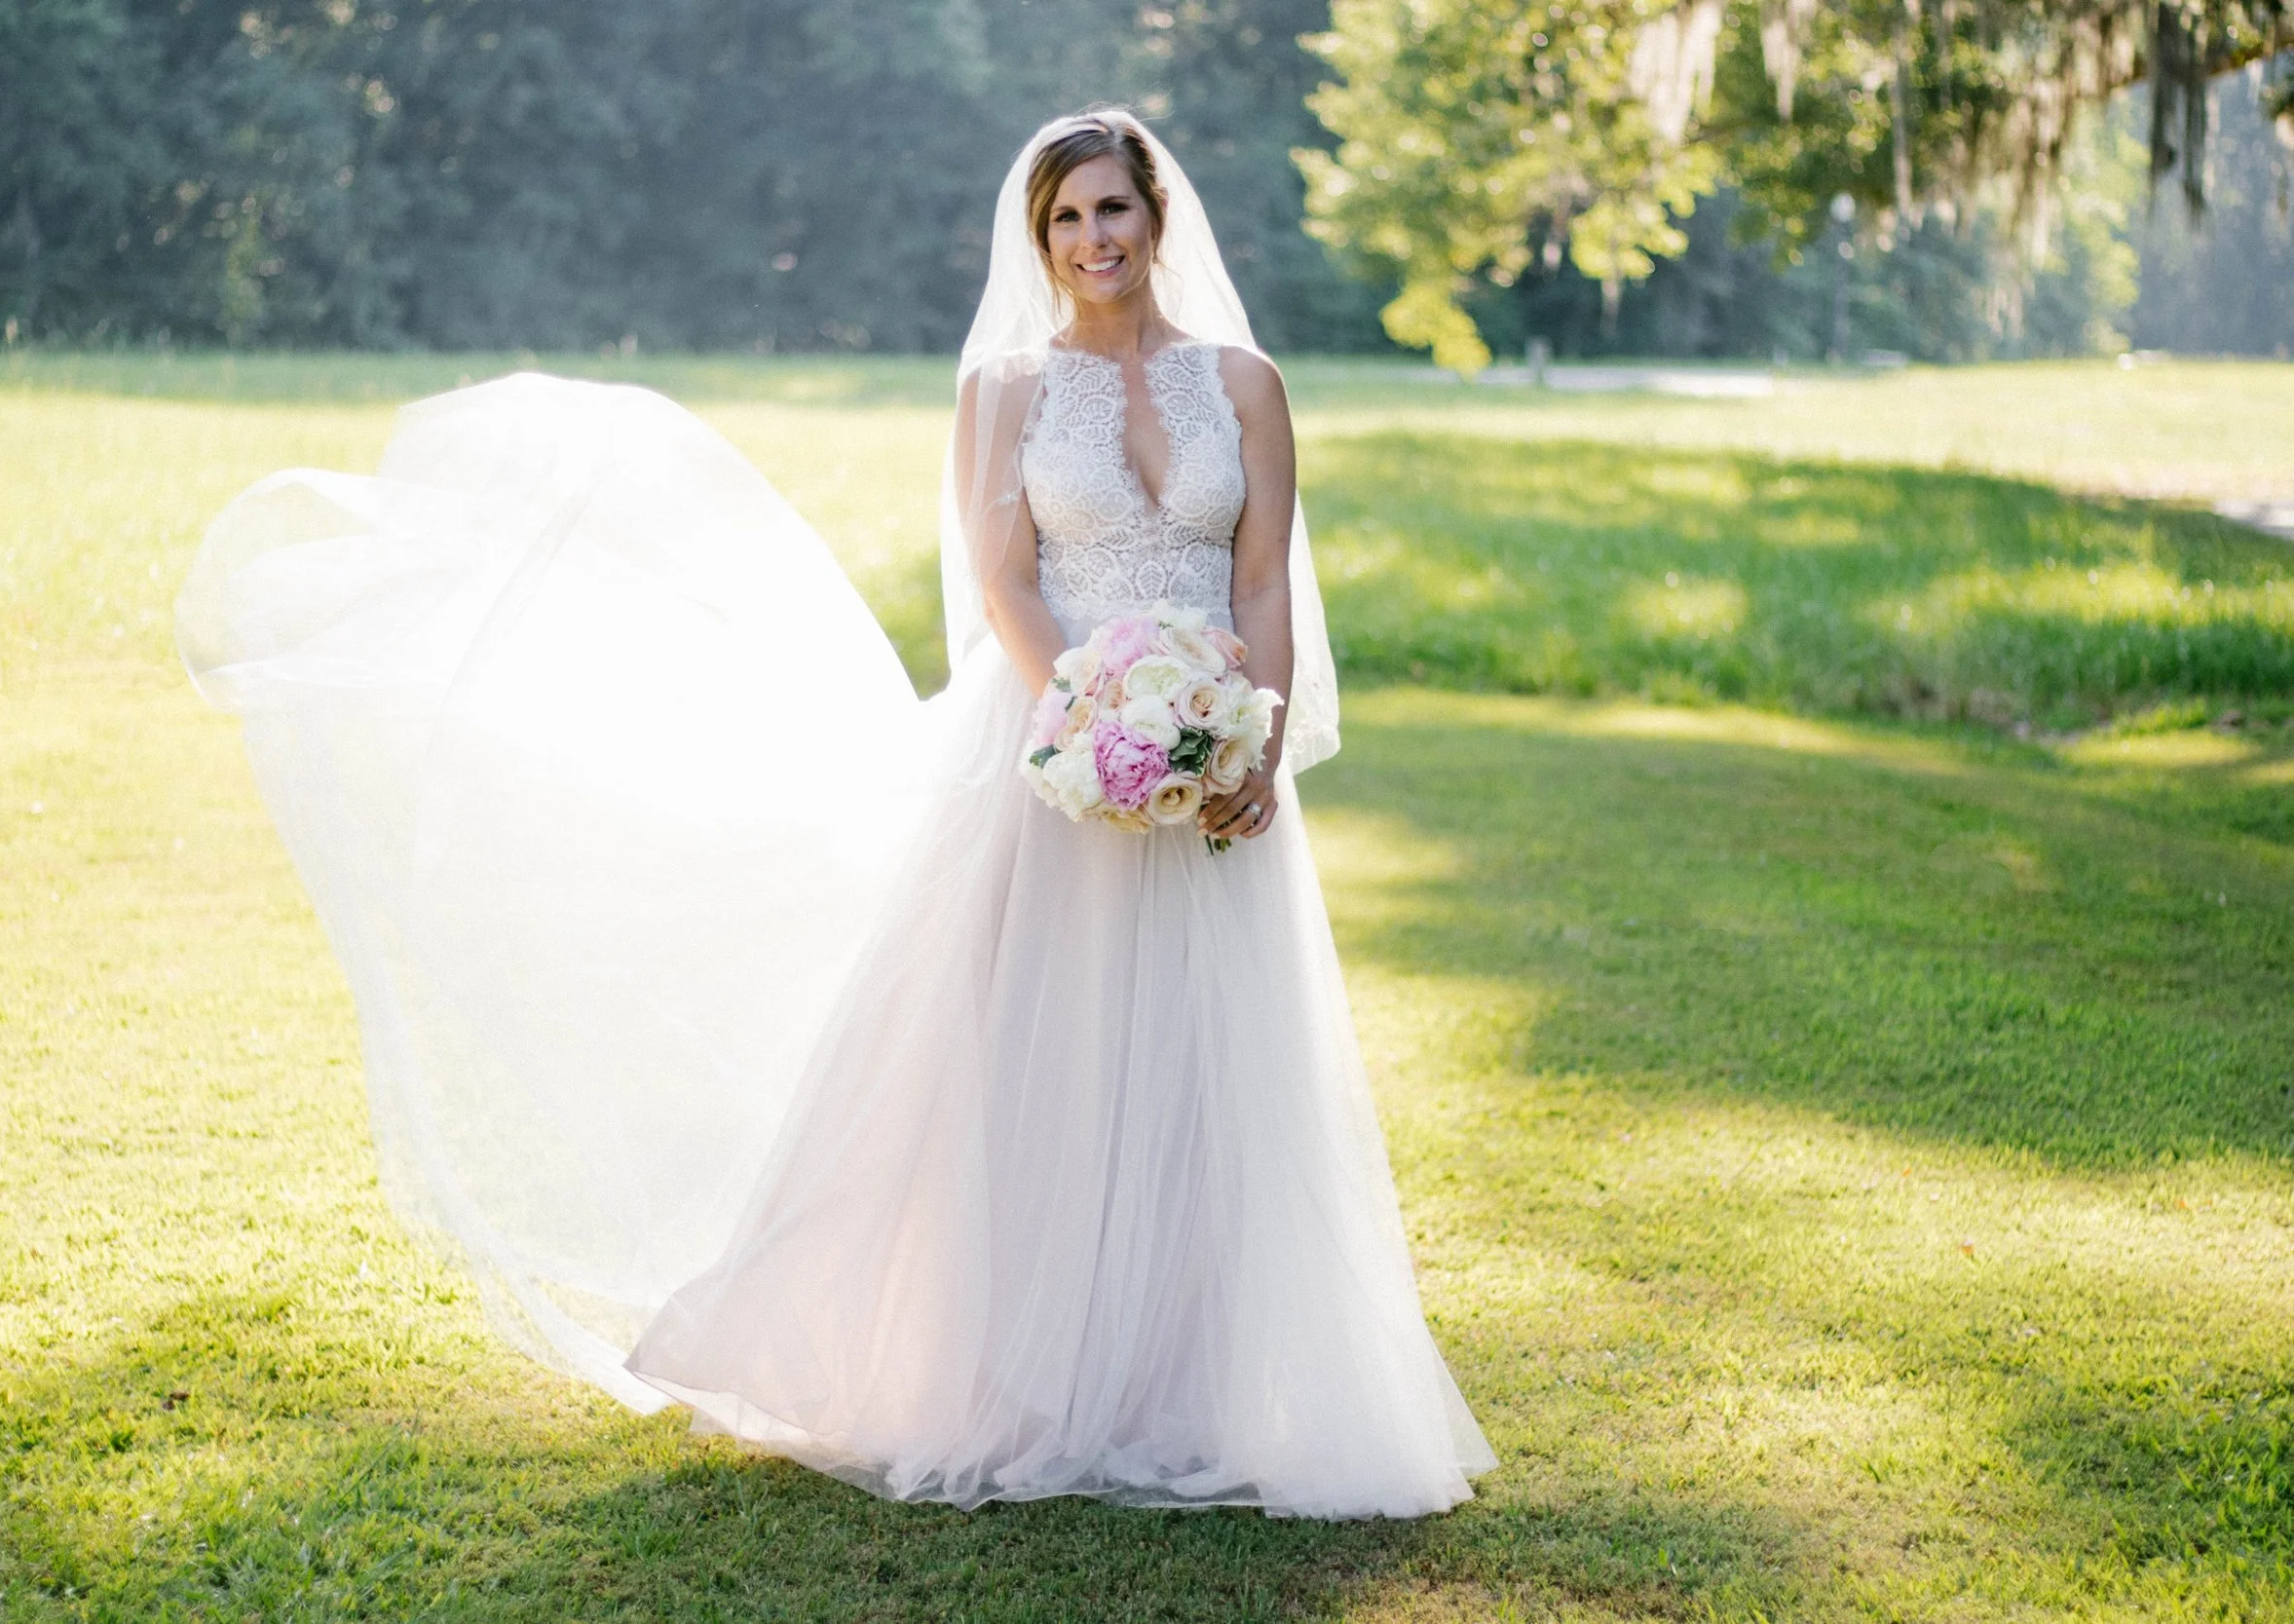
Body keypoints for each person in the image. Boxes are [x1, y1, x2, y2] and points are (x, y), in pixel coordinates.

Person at [178, 108, 1493, 1519]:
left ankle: (1186, 1375)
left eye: (1112, 210)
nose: (1092, 241)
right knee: (1029, 1052)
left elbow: (1258, 590)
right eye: (1065, 220)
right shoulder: (1003, 389)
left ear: (1155, 215)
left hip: (1218, 751)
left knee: (1204, 1058)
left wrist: (1248, 747)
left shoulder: (1245, 382)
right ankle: (1016, 1367)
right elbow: (1007, 584)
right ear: (1040, 238)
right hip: (1057, 752)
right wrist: (1098, 724)